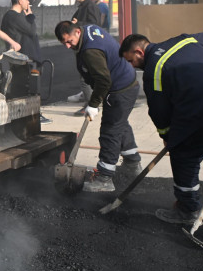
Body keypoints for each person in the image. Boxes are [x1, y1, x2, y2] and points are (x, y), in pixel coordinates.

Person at [119, 32, 203, 225]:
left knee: (183, 155)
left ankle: (187, 209)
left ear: (139, 52)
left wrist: (167, 136)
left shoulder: (154, 69)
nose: (131, 65)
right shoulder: (185, 40)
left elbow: (159, 110)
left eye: (131, 60)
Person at [55, 21, 142, 192]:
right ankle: (132, 163)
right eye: (63, 42)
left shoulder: (90, 51)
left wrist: (93, 104)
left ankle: (104, 178)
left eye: (69, 41)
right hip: (127, 82)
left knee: (110, 131)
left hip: (119, 88)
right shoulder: (89, 30)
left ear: (77, 32)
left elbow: (104, 80)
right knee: (120, 123)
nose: (67, 46)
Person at [67, 0, 104, 102]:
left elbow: (95, 26)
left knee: (85, 78)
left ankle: (91, 105)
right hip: (82, 46)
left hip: (88, 47)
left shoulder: (90, 7)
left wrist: (77, 24)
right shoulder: (83, 7)